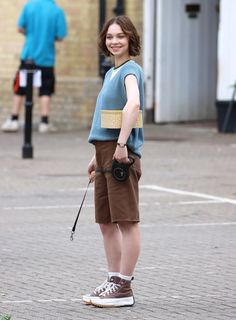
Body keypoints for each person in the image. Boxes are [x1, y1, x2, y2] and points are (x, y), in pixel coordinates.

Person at [83, 15, 144, 308]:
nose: (114, 41)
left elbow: (133, 104)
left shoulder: (130, 71)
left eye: (120, 36)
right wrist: (97, 156)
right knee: (106, 222)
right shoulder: (111, 72)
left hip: (120, 154)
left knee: (126, 221)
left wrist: (121, 145)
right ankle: (112, 279)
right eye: (109, 37)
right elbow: (109, 116)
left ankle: (124, 286)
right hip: (105, 152)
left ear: (130, 38)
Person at [1, 0, 67, 133]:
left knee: (20, 88)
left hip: (28, 56)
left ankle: (14, 120)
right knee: (45, 90)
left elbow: (20, 27)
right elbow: (60, 36)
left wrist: (32, 34)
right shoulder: (57, 11)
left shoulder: (29, 6)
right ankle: (44, 122)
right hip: (47, 58)